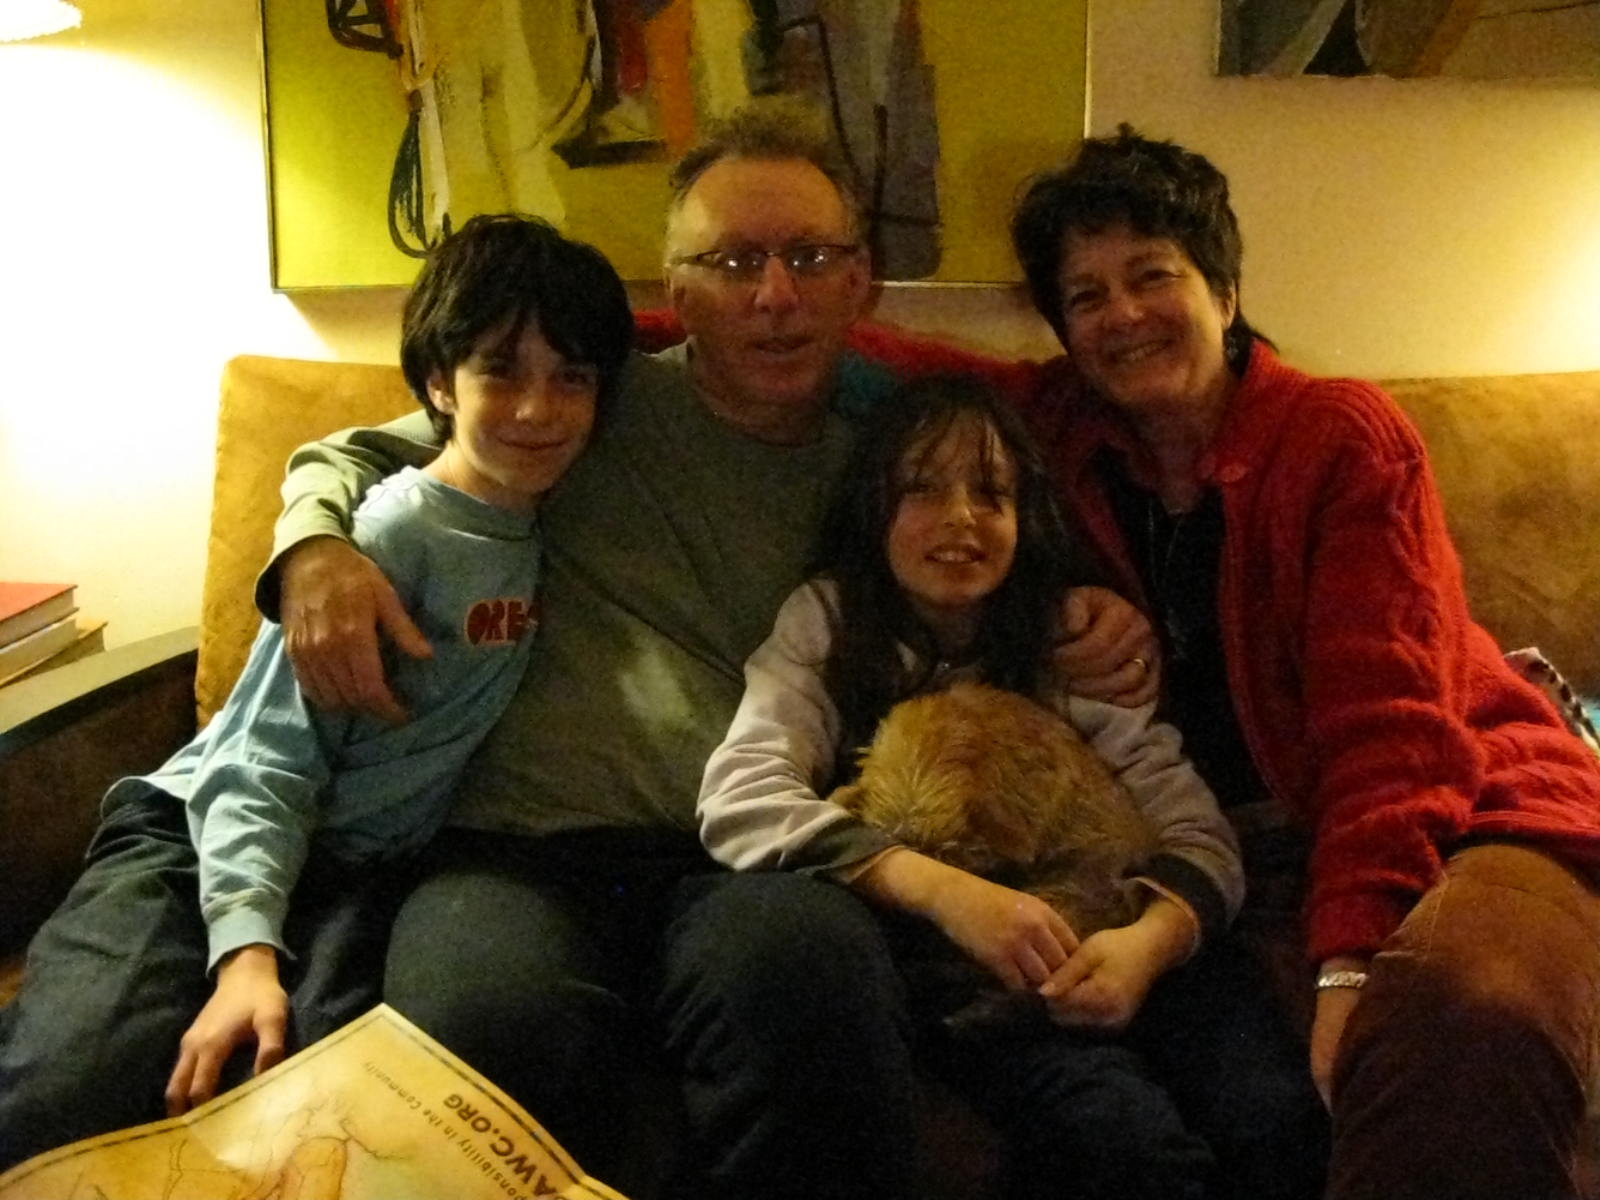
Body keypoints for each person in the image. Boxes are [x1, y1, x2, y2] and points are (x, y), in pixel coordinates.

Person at [252, 98, 1158, 1199]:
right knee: (479, 1028)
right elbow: (371, 450)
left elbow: (1005, 529)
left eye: (809, 258)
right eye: (732, 262)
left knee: (813, 985)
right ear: (677, 294)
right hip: (516, 851)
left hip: (752, 858)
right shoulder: (584, 398)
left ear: (859, 282)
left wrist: (1084, 600)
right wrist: (313, 547)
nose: (774, 295)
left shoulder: (895, 466)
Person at [1005, 126, 1600, 1200]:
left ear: (1224, 290)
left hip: (1471, 805)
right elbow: (890, 368)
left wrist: (1347, 963)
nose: (1123, 314)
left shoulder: (1339, 439)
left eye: (1153, 275)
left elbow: (1395, 735)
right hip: (1241, 853)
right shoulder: (1061, 432)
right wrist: (686, 322)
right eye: (1086, 296)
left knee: (1467, 1009)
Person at [0, 213, 633, 1167]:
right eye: (501, 372)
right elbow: (261, 761)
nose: (538, 408)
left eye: (571, 378)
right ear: (439, 384)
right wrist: (245, 955)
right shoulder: (385, 542)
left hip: (351, 873)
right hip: (202, 835)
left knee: (306, 1116)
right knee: (74, 1081)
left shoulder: (557, 525)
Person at [698, 373, 1245, 1199]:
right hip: (942, 972)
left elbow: (1196, 830)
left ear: (1027, 517)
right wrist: (946, 893)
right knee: (1126, 1141)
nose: (960, 517)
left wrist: (1148, 945)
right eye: (921, 488)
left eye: (991, 493)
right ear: (874, 506)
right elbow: (740, 793)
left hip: (1112, 942)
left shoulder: (1065, 635)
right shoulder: (830, 621)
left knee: (1268, 1115)